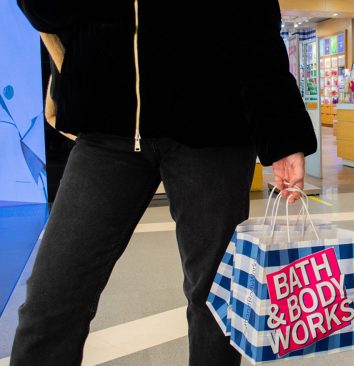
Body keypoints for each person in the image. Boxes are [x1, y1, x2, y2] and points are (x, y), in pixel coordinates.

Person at [10, 0, 317, 365]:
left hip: (212, 127)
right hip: (107, 126)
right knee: (52, 297)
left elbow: (254, 25)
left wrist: (282, 135)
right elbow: (48, 12)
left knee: (215, 300)